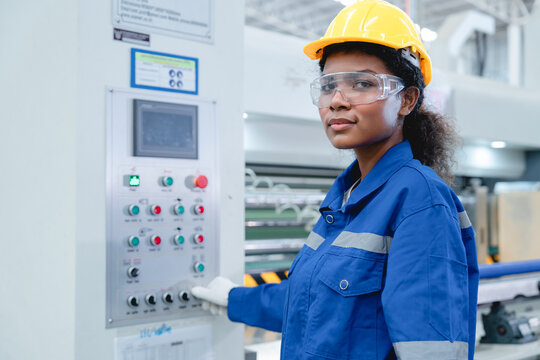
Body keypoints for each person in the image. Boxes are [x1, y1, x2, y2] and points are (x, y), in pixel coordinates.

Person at [192, 1, 479, 359]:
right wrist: (234, 299)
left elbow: (430, 348)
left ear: (406, 100)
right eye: (328, 86)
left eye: (361, 83)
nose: (337, 101)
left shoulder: (419, 200)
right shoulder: (347, 198)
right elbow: (311, 301)